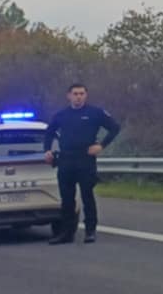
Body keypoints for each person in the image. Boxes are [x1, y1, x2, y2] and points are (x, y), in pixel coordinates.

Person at [43, 82, 120, 245]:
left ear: (86, 95)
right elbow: (49, 132)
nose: (78, 97)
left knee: (87, 195)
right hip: (66, 160)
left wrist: (101, 145)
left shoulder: (95, 113)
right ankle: (66, 233)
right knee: (67, 198)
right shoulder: (61, 115)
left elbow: (114, 128)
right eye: (75, 94)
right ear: (69, 96)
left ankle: (90, 230)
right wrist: (47, 150)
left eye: (82, 93)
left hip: (85, 159)